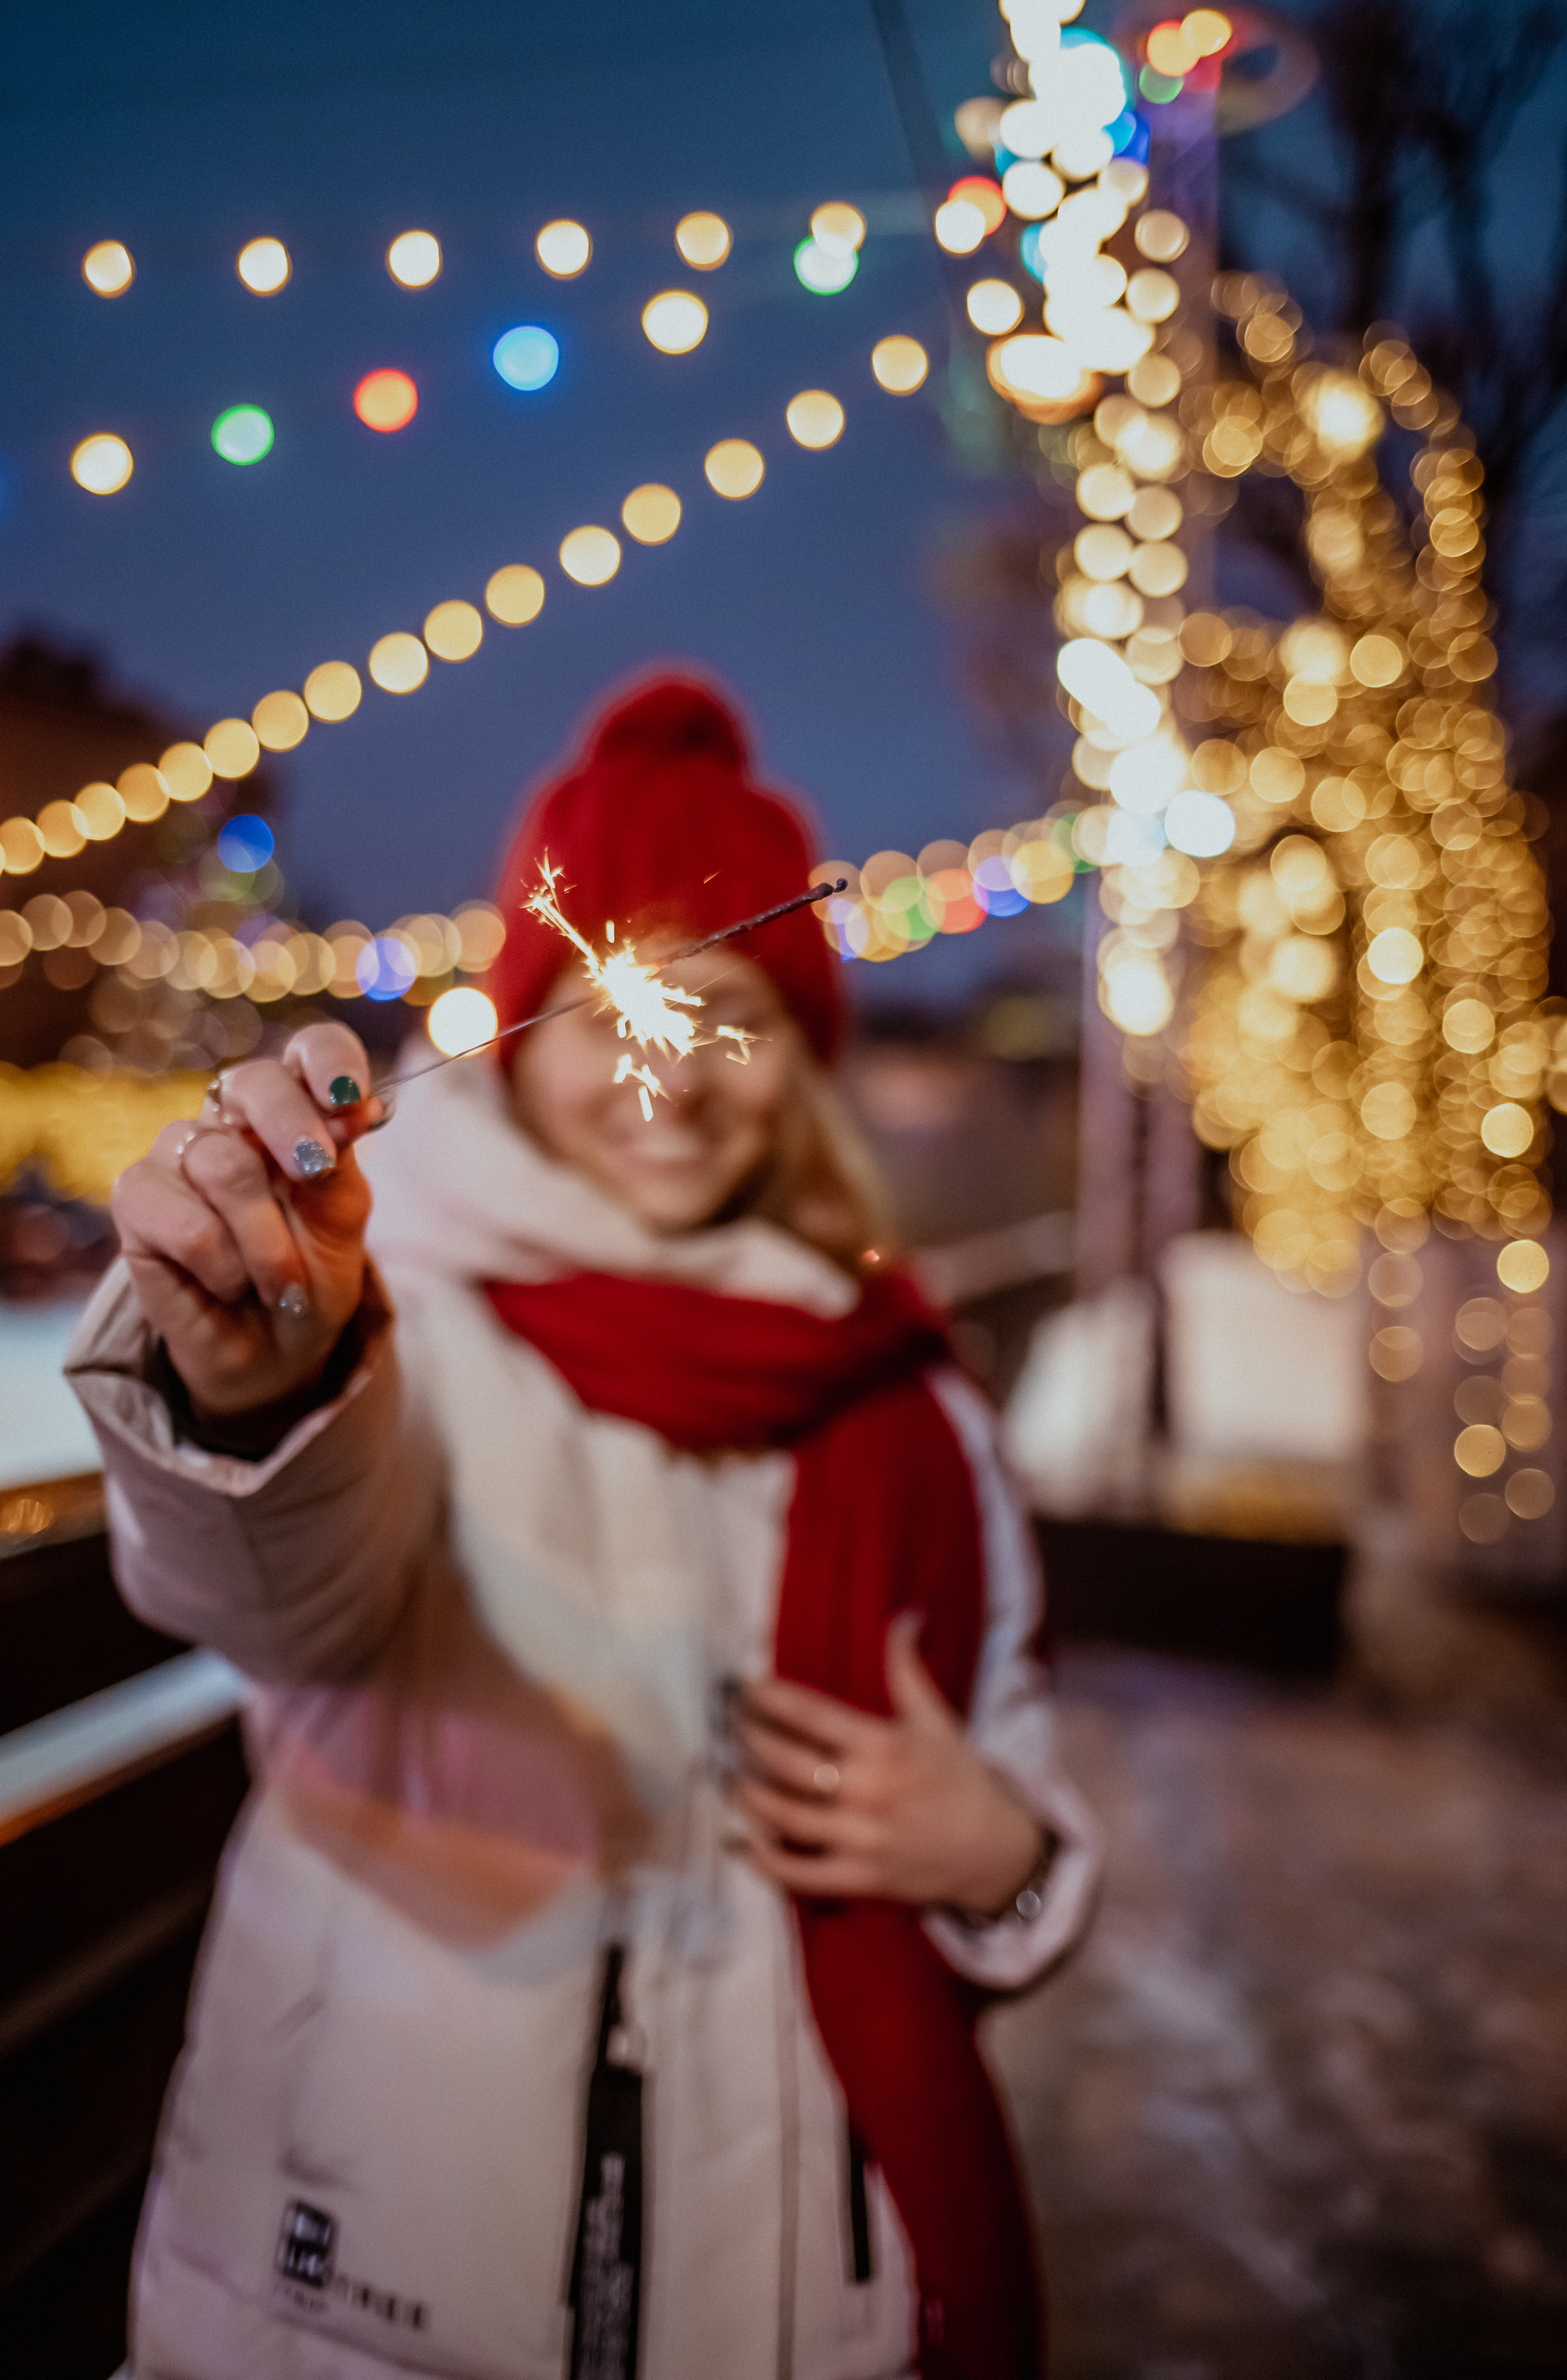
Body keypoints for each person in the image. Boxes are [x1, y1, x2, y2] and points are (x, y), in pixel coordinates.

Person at [67, 672, 1102, 2380]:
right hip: (356, 2289)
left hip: (798, 2292)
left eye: (733, 1017)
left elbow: (1020, 1759)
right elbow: (286, 1593)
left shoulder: (906, 1401)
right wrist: (265, 1388)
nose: (670, 1075)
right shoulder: (395, 1309)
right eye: (624, 1002)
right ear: (538, 1012)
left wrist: (1003, 1855)